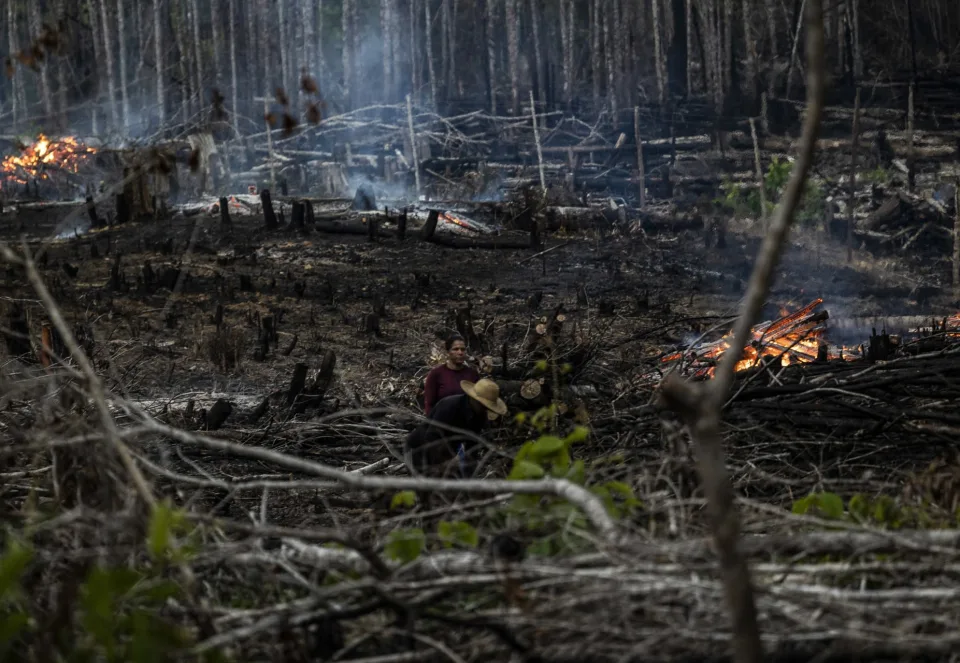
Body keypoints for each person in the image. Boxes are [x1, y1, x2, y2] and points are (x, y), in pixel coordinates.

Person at [404, 378, 508, 479]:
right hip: (419, 448)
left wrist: (469, 474)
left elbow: (471, 447)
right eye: (482, 406)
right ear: (473, 399)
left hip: (447, 451)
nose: (484, 410)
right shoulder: (449, 406)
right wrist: (443, 466)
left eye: (487, 408)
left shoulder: (480, 416)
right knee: (424, 488)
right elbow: (431, 438)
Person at [422, 333, 479, 416]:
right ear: (448, 352)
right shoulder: (436, 374)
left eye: (463, 349)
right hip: (443, 422)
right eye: (455, 349)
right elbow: (429, 404)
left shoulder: (472, 374)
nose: (460, 352)